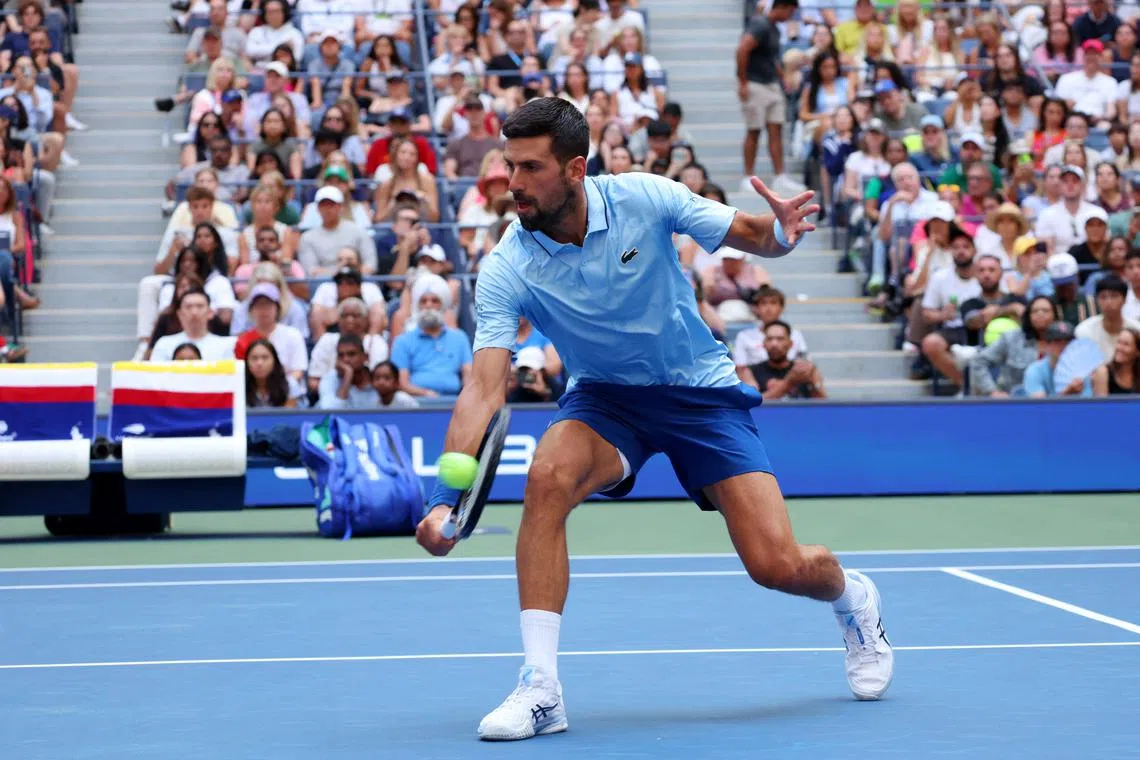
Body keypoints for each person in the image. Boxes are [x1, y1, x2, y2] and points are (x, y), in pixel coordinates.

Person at [413, 98, 891, 741]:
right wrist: (447, 497)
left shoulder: (646, 197)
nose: (512, 183)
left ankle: (851, 598)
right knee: (548, 477)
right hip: (606, 400)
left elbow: (749, 235)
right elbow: (483, 390)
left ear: (575, 169)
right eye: (508, 165)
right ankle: (541, 688)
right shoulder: (506, 266)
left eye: (529, 168)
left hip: (699, 393)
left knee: (776, 564)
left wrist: (777, 232)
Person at [736, 0, 803, 194]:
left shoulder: (774, 29)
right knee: (754, 130)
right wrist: (743, 82)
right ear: (783, 7)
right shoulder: (759, 24)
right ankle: (747, 177)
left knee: (776, 129)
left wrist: (782, 79)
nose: (791, 15)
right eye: (790, 11)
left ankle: (780, 176)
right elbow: (742, 50)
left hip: (771, 84)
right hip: (754, 83)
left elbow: (772, 58)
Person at [150, 289, 237, 362]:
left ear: (211, 312)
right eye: (188, 307)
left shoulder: (228, 344)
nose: (194, 312)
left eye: (200, 306)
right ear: (179, 314)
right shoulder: (164, 344)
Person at [746, 320, 826, 400]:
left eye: (780, 339)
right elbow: (753, 404)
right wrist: (789, 383)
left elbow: (823, 404)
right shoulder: (751, 372)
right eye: (769, 339)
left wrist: (813, 384)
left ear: (790, 344)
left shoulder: (804, 370)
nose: (774, 344)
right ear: (763, 344)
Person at [1022, 321, 1095, 397]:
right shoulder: (1034, 370)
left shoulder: (1082, 371)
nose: (1063, 346)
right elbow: (1039, 406)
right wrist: (1066, 393)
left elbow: (1087, 404)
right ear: (1047, 345)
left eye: (1068, 342)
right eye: (1057, 342)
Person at [1075, 275, 1140, 359]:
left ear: (1125, 299)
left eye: (1114, 296)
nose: (1108, 302)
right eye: (1103, 297)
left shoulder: (1137, 329)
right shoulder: (1084, 331)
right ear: (1097, 300)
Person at [1091, 326, 1140, 394]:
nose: (1119, 347)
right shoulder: (1103, 372)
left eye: (1126, 344)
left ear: (1137, 352)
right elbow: (1100, 404)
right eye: (1119, 342)